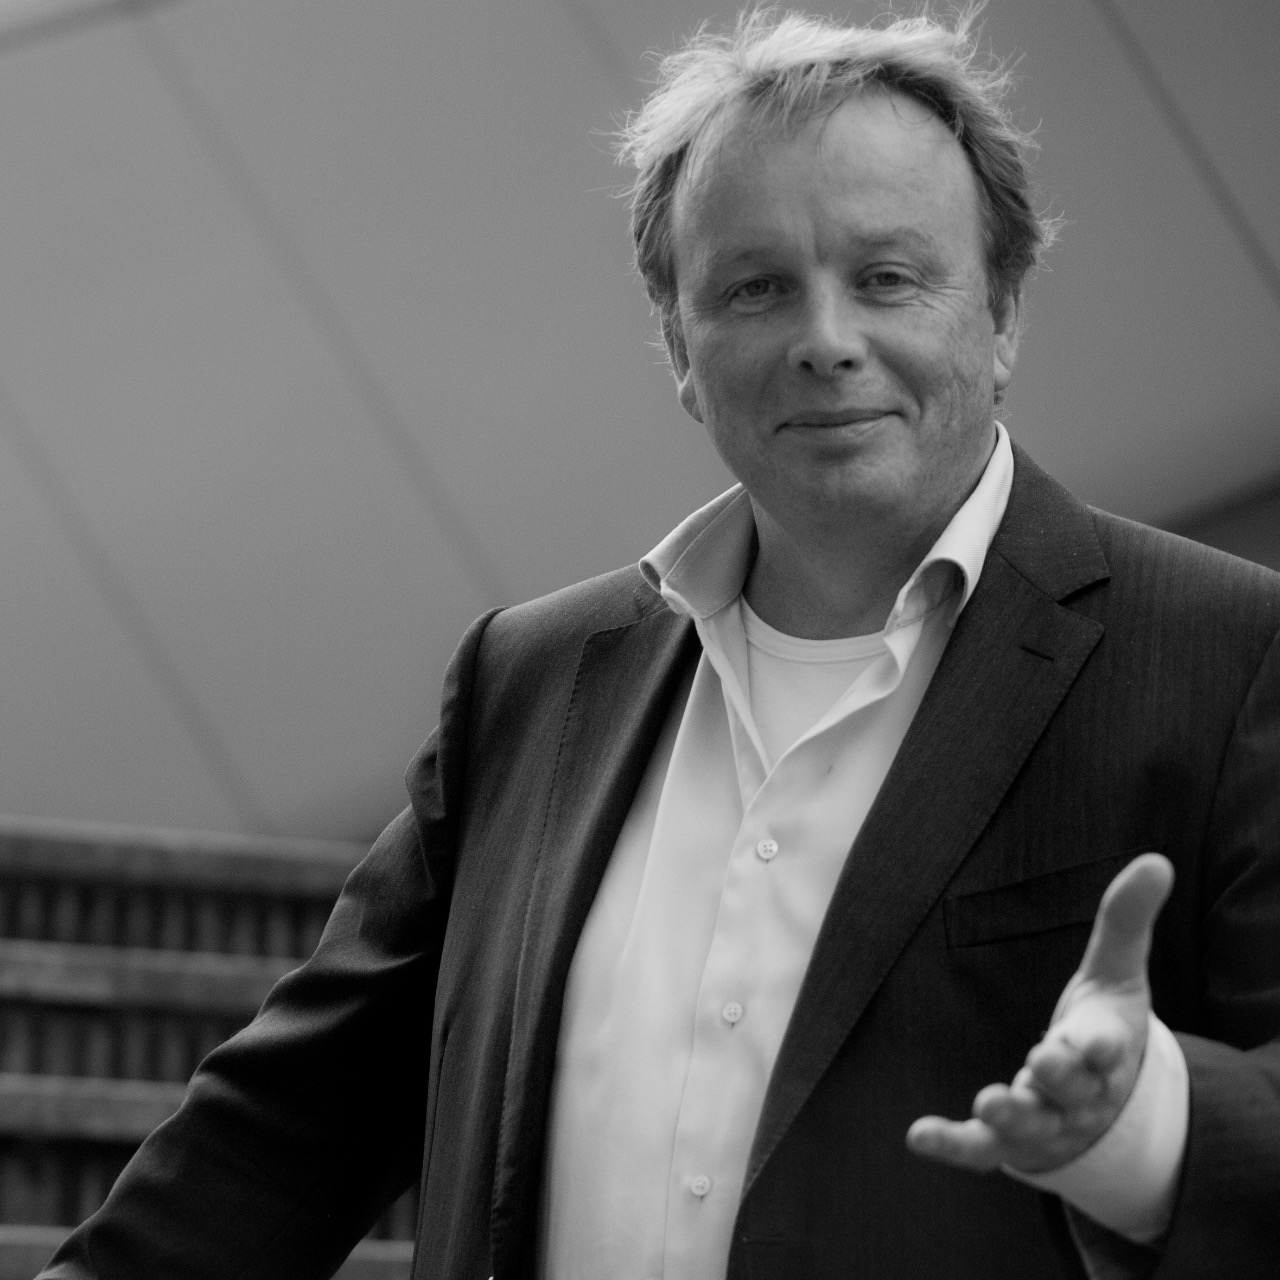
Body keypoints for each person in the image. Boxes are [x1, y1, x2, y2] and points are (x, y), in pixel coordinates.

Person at [42, 8, 1280, 1280]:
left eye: (886, 277)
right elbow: (281, 1134)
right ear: (680, 345)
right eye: (754, 287)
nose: (824, 339)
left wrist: (1146, 1127)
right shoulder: (527, 683)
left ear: (1003, 312)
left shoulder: (1228, 657)